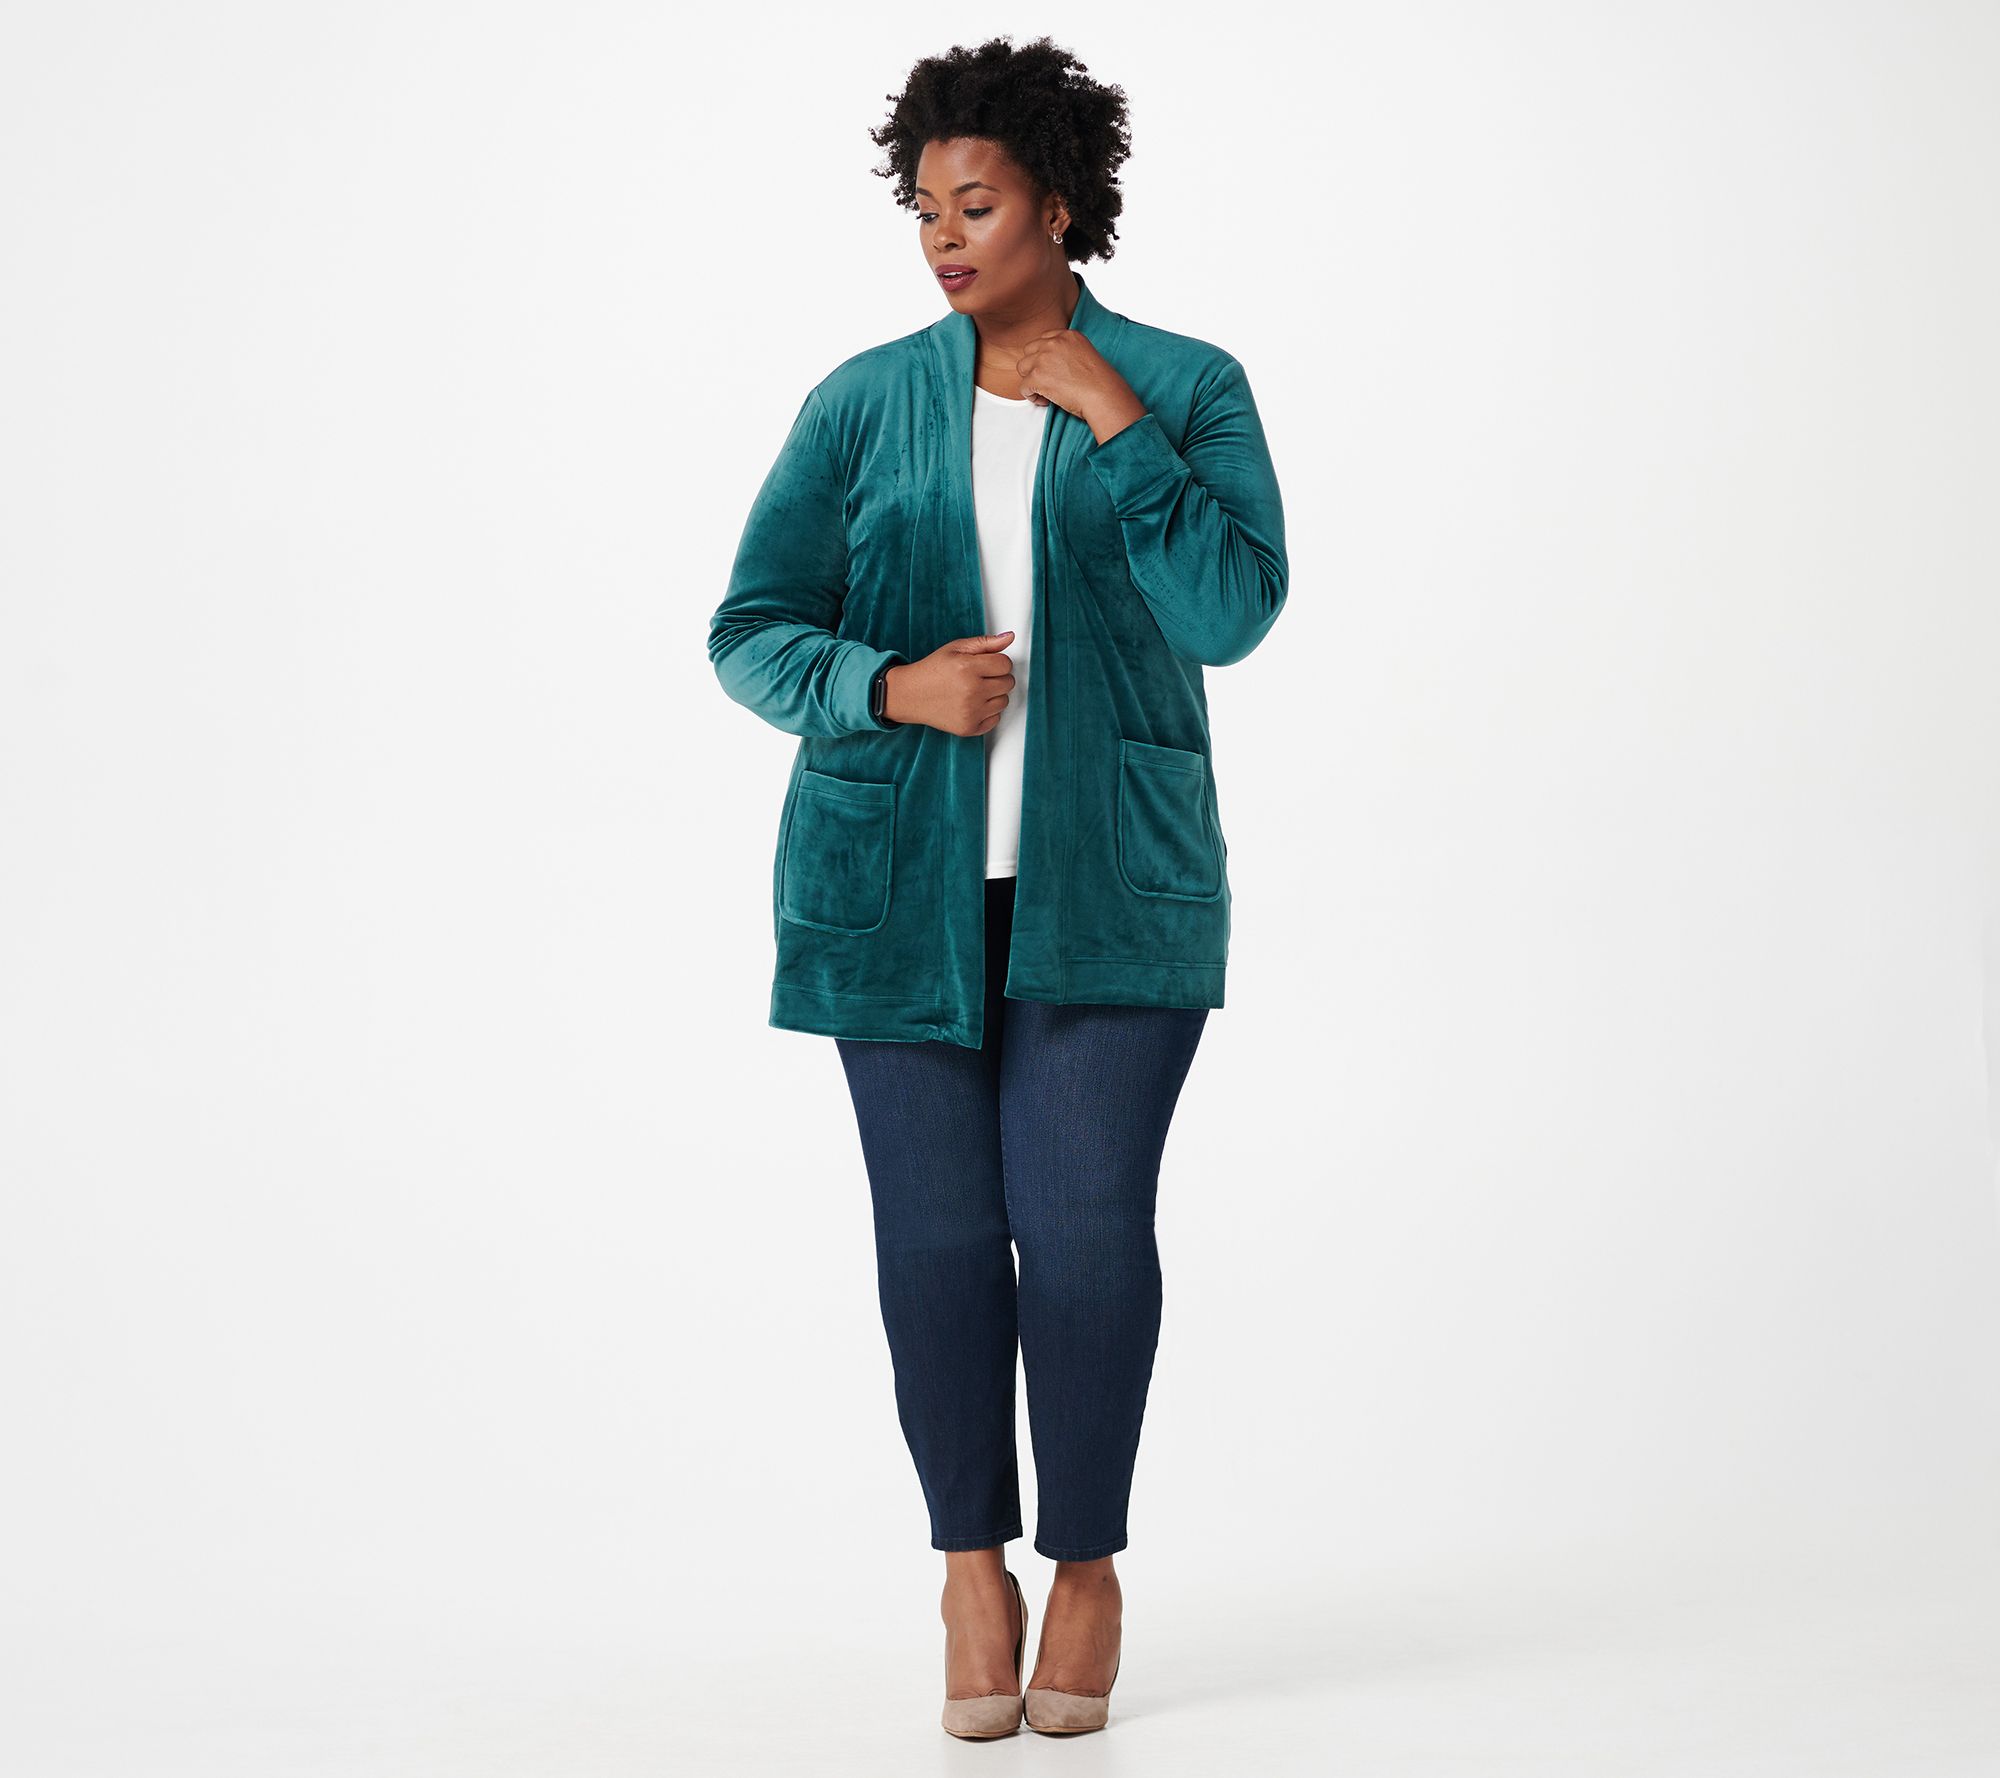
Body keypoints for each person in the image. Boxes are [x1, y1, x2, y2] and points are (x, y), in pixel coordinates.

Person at [707, 33, 1288, 1738]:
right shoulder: (863, 400)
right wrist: (890, 686)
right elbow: (749, 628)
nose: (944, 237)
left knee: (1086, 1227)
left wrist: (1107, 411)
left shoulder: (1184, 383)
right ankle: (972, 1566)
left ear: (1058, 205)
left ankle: (1086, 1562)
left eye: (975, 203)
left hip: (1114, 889)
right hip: (891, 891)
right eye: (923, 207)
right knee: (943, 1238)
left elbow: (1234, 611)